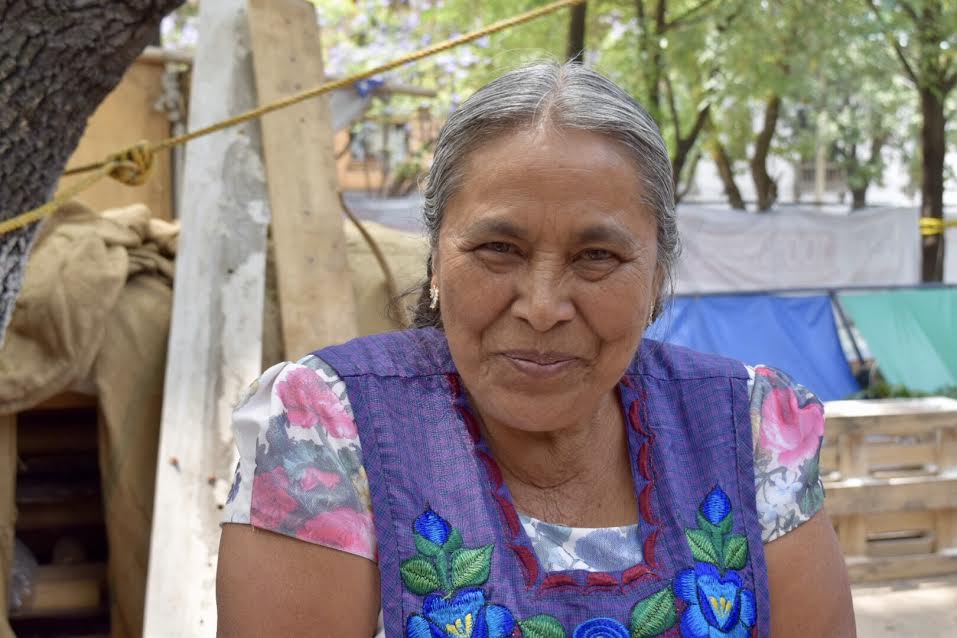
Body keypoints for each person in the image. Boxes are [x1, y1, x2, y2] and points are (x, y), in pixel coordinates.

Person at [216, 62, 855, 637]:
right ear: (436, 259)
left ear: (658, 275)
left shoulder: (747, 425)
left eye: (597, 256)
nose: (543, 307)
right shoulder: (324, 427)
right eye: (499, 249)